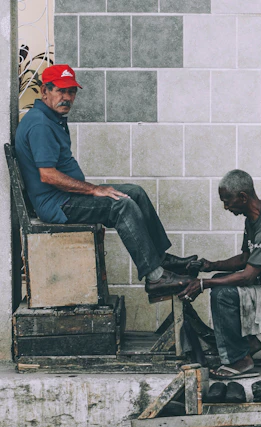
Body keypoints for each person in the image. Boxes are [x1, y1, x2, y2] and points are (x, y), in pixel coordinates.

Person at [15, 64, 193, 302]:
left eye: (72, 91)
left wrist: (92, 190)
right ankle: (155, 277)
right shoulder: (40, 124)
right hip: (57, 204)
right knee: (121, 205)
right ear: (44, 91)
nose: (67, 97)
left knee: (134, 193)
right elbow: (48, 175)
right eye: (61, 91)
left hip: (66, 197)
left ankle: (160, 259)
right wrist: (94, 189)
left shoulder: (51, 117)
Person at [179, 169, 261, 379]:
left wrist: (203, 285)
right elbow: (245, 258)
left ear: (243, 197)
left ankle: (240, 360)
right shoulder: (253, 218)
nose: (225, 206)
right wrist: (211, 266)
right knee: (218, 281)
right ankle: (248, 343)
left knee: (222, 294)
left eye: (227, 200)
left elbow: (247, 276)